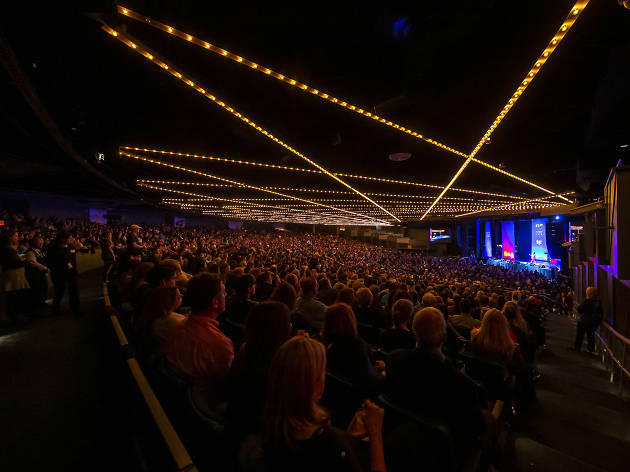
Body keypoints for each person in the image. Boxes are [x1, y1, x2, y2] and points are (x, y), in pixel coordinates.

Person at [253, 335, 387, 472]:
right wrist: (375, 432)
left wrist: (348, 438)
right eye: (323, 371)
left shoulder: (266, 431)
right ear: (316, 385)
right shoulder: (330, 447)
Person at [387, 307, 489, 452]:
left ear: (415, 333)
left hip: (401, 445)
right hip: (444, 455)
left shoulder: (393, 360)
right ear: (444, 336)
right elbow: (474, 432)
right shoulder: (464, 385)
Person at [166, 273, 234, 408]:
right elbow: (226, 386)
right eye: (224, 293)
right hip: (205, 406)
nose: (226, 296)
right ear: (215, 302)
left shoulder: (177, 326)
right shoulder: (219, 344)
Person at [228, 301, 292, 439]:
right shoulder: (274, 373)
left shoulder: (244, 353)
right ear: (280, 330)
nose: (291, 326)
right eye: (288, 323)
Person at [321, 303, 384, 394]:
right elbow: (369, 372)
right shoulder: (358, 344)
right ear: (351, 320)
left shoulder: (326, 348)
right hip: (363, 394)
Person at [0, 230, 31, 323]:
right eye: (16, 236)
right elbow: (15, 263)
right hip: (12, 278)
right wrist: (25, 261)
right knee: (13, 299)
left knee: (14, 299)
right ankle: (14, 318)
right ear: (10, 238)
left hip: (16, 278)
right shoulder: (8, 250)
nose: (17, 238)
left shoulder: (11, 249)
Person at [47, 231, 80, 316]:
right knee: (59, 292)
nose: (72, 239)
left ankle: (75, 309)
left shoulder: (70, 247)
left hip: (71, 273)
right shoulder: (53, 249)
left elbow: (72, 260)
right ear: (63, 239)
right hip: (59, 274)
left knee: (74, 292)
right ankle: (55, 310)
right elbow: (51, 262)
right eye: (70, 238)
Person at [574, 286, 603, 353]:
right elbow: (600, 313)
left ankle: (577, 348)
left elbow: (579, 310)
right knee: (591, 337)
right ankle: (590, 350)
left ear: (588, 293)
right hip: (593, 323)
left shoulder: (586, 301)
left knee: (580, 335)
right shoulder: (598, 302)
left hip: (584, 321)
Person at [24, 236, 49, 310]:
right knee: (37, 291)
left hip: (41, 275)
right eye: (39, 242)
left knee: (43, 290)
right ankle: (36, 307)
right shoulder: (30, 252)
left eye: (42, 242)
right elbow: (32, 263)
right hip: (34, 276)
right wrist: (44, 268)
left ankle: (42, 304)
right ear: (34, 243)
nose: (42, 243)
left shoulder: (39, 250)